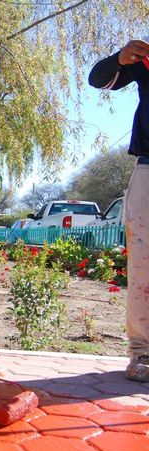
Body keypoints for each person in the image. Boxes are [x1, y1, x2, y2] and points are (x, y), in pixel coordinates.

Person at [89, 35, 149, 382]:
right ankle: (143, 353)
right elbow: (98, 79)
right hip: (148, 167)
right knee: (143, 265)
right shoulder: (144, 58)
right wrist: (121, 59)